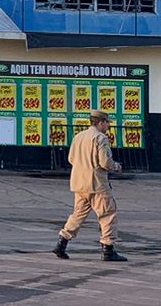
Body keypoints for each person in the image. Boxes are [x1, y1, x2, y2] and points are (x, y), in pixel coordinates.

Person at [52, 109, 127, 262]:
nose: (108, 126)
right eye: (107, 123)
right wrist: (116, 166)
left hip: (79, 183)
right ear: (100, 123)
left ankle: (62, 242)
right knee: (107, 214)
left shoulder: (78, 137)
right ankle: (108, 249)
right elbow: (105, 162)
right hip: (97, 184)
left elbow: (71, 158)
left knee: (78, 214)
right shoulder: (101, 138)